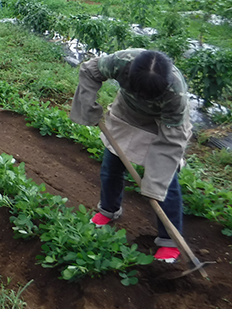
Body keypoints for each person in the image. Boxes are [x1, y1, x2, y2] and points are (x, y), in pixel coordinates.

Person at [70, 49, 192, 263]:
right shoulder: (120, 62)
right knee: (111, 167)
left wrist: (153, 185)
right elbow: (89, 70)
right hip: (126, 114)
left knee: (164, 183)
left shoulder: (176, 94)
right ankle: (109, 210)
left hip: (161, 124)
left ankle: (169, 240)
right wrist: (87, 105)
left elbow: (170, 142)